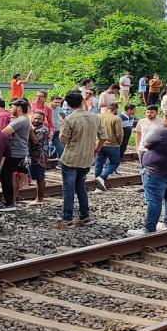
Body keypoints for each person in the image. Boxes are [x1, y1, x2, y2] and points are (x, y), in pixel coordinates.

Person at [54, 91, 106, 229]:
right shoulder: (95, 117)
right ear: (82, 101)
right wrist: (97, 149)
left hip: (71, 157)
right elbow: (103, 136)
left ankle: (67, 219)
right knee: (80, 186)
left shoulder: (70, 119)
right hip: (87, 157)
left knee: (68, 188)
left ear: (68, 104)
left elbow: (63, 139)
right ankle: (84, 216)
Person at [0, 99, 32, 212]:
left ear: (18, 108)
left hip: (15, 152)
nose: (10, 110)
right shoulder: (24, 119)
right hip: (19, 151)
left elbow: (3, 134)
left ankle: (8, 203)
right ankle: (9, 201)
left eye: (12, 107)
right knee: (9, 176)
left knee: (5, 175)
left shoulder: (20, 120)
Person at [94, 102, 124, 191]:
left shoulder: (98, 116)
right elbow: (119, 134)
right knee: (115, 163)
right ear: (116, 110)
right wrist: (119, 143)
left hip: (99, 143)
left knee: (98, 164)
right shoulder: (116, 118)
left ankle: (98, 186)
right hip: (112, 144)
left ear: (107, 108)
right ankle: (102, 177)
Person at [27, 111, 51, 206]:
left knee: (40, 178)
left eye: (39, 119)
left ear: (43, 120)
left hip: (39, 157)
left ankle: (40, 199)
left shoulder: (43, 129)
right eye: (35, 118)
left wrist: (30, 130)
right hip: (33, 155)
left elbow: (35, 141)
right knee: (36, 177)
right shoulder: (35, 128)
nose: (36, 120)